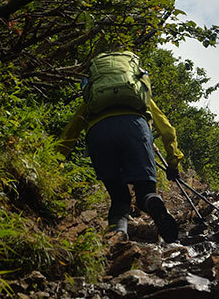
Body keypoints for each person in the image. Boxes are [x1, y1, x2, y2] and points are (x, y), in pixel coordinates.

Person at [57, 51, 183, 242]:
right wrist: (173, 163)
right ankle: (152, 201)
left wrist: (55, 161)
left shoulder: (93, 98)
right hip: (135, 129)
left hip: (99, 134)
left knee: (119, 198)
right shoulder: (141, 96)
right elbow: (167, 130)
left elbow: (71, 131)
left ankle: (118, 235)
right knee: (145, 191)